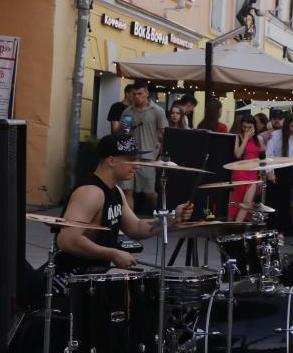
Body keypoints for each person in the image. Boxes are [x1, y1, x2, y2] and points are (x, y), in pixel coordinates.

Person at [55, 133, 193, 274]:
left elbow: (136, 227)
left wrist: (171, 218)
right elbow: (67, 240)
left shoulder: (116, 191)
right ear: (112, 161)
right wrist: (114, 253)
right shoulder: (90, 192)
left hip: (95, 274)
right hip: (72, 276)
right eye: (132, 160)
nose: (137, 166)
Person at [120, 83, 168, 212]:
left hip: (148, 158)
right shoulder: (128, 111)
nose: (137, 97)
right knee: (126, 191)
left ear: (146, 93)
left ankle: (156, 215)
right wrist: (123, 128)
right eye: (134, 94)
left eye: (140, 93)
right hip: (129, 157)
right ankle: (129, 221)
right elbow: (124, 134)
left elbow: (165, 134)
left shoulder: (157, 111)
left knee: (149, 193)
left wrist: (159, 154)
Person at [268, 115, 293, 242]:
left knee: (285, 202)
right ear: (286, 125)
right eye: (292, 126)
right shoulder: (275, 136)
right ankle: (272, 230)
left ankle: (281, 232)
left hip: (288, 171)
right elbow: (269, 154)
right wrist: (270, 171)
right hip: (276, 169)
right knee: (273, 202)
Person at [228, 114, 262, 223]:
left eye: (249, 127)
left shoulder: (259, 139)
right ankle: (231, 229)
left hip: (253, 175)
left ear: (254, 126)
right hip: (239, 173)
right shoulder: (238, 137)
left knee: (247, 203)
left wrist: (261, 174)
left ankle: (237, 228)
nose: (247, 129)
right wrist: (246, 138)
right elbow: (238, 154)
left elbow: (262, 158)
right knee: (235, 204)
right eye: (244, 127)